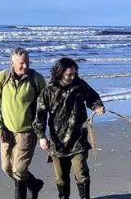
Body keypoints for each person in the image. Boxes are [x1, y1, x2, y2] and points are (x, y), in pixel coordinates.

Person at [33, 57, 105, 199]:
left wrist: (97, 107)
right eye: (69, 74)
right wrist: (41, 137)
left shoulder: (80, 85)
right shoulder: (48, 91)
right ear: (60, 73)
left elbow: (93, 98)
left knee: (81, 173)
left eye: (74, 73)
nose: (72, 77)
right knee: (61, 177)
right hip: (57, 142)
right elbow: (39, 116)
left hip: (79, 139)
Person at [0, 47, 47, 199]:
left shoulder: (36, 79)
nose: (25, 66)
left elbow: (45, 107)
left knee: (19, 170)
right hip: (6, 132)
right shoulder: (1, 78)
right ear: (12, 63)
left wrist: (43, 134)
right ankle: (34, 184)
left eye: (27, 62)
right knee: (7, 168)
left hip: (27, 132)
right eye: (21, 63)